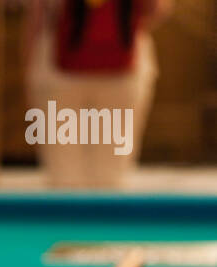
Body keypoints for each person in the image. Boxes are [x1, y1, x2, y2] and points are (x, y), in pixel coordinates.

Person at [26, 0, 174, 188]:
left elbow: (38, 16)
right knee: (111, 177)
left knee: (64, 176)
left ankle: (69, 213)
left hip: (60, 72)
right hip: (123, 71)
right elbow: (156, 9)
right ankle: (107, 214)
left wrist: (29, 72)